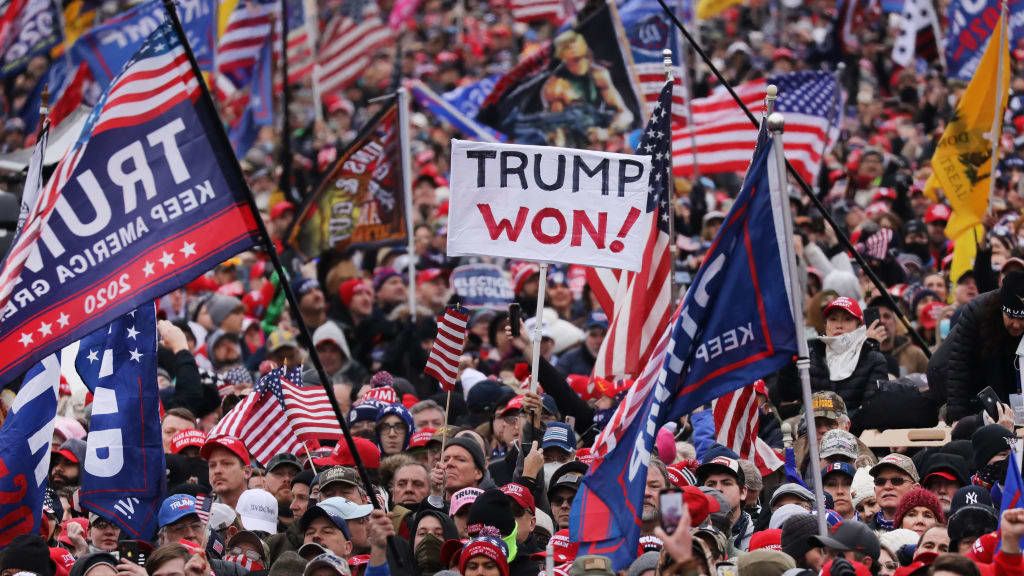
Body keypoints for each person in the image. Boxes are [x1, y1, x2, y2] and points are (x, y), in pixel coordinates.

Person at [940, 271, 1024, 423]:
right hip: (946, 370)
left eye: (1023, 319)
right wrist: (958, 419)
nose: (1016, 324)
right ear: (1002, 308)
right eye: (1011, 316)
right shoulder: (977, 312)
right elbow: (959, 367)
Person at [868, 453, 920, 531]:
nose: (887, 487)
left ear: (916, 489)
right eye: (880, 481)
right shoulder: (860, 535)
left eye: (897, 481)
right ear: (875, 490)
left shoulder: (931, 533)